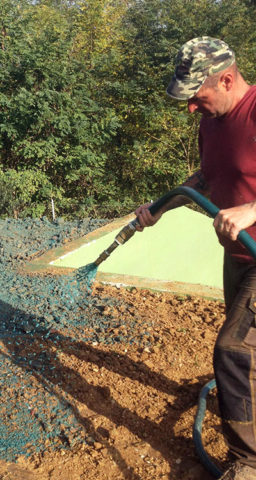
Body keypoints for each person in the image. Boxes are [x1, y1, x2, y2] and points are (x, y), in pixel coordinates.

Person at [135, 37, 256, 480]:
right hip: (239, 255)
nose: (191, 108)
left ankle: (249, 461)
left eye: (197, 96)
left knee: (232, 349)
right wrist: (158, 208)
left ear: (226, 79)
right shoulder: (211, 122)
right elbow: (206, 176)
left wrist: (252, 209)